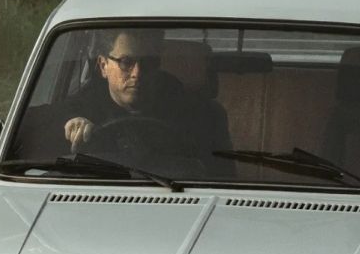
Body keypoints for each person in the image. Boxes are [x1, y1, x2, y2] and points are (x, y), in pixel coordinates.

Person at [56, 27, 231, 170]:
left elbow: (220, 178)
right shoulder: (80, 106)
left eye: (148, 62)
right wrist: (72, 122)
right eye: (126, 62)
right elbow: (46, 120)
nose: (137, 73)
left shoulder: (197, 113)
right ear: (103, 66)